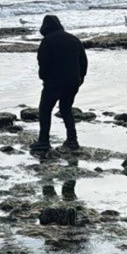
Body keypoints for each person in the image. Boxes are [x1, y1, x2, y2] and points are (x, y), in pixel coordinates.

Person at [32, 14, 88, 152]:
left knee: (45, 110)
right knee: (66, 109)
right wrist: (80, 78)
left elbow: (43, 62)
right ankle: (72, 140)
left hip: (54, 82)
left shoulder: (47, 41)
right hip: (73, 82)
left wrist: (43, 77)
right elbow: (83, 62)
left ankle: (44, 141)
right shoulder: (74, 40)